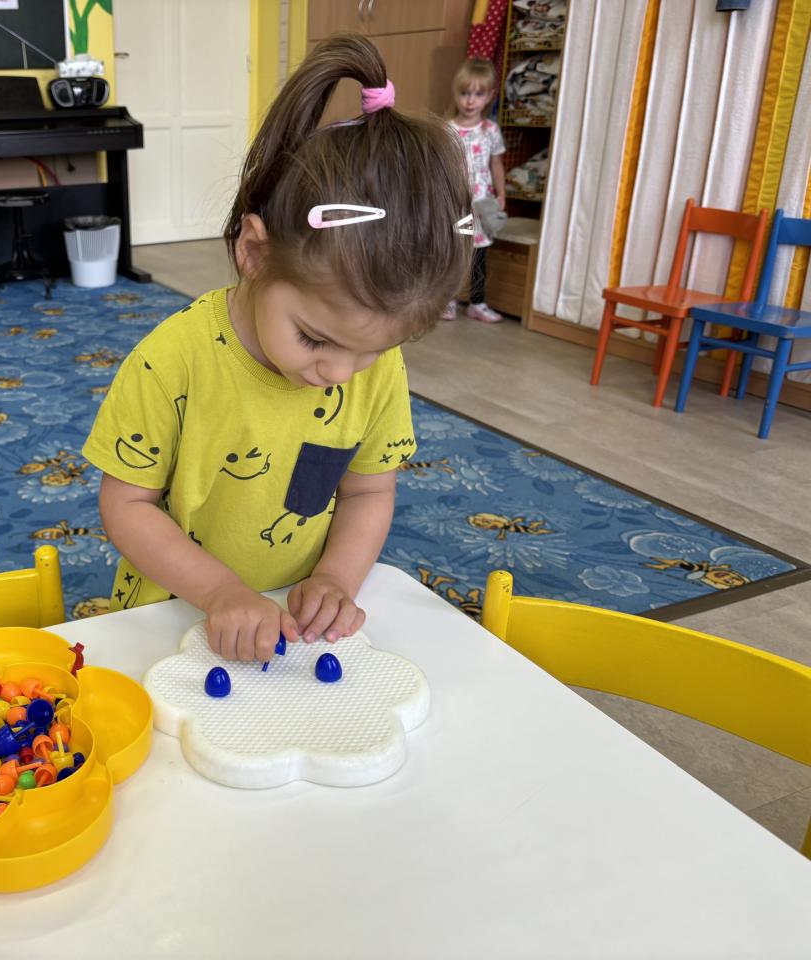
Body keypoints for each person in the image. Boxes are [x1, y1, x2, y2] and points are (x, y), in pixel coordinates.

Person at [82, 34, 472, 662]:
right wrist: (219, 591)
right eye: (315, 338)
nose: (339, 372)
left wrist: (336, 578)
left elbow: (368, 491)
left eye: (372, 351)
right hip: (170, 616)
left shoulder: (373, 370)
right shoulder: (171, 361)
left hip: (294, 627)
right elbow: (126, 503)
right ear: (255, 253)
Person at [443, 57, 507, 323]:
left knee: (479, 254)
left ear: (489, 96)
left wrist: (501, 194)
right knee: (456, 253)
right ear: (456, 93)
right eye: (465, 93)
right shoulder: (448, 129)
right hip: (457, 204)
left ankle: (477, 302)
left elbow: (496, 164)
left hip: (481, 204)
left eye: (478, 94)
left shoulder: (490, 130)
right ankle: (447, 300)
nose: (470, 101)